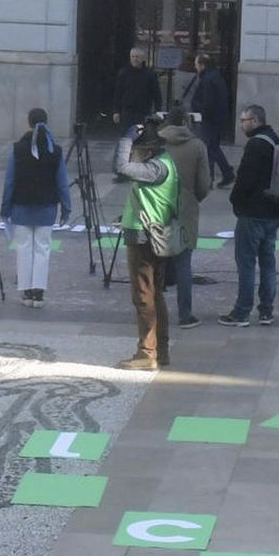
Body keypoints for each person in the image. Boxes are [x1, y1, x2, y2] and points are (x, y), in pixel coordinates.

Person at [114, 117, 180, 369]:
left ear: (147, 149)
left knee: (143, 295)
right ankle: (160, 349)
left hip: (144, 235)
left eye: (137, 148)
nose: (135, 153)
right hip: (154, 231)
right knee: (156, 294)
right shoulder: (166, 163)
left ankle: (147, 352)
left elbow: (121, 167)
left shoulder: (155, 168)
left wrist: (126, 139)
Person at [221, 105, 279, 326]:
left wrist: (236, 201)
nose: (242, 124)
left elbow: (245, 180)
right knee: (268, 261)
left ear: (256, 120)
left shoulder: (256, 144)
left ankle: (242, 312)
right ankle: (266, 311)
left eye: (245, 120)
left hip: (253, 212)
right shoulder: (276, 141)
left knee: (247, 263)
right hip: (274, 210)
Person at [0, 109, 70, 306]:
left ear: (29, 123)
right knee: (42, 249)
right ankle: (39, 292)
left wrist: (5, 208)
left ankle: (26, 290)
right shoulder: (54, 150)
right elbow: (62, 183)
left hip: (21, 207)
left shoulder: (17, 149)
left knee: (23, 249)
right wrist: (66, 208)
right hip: (46, 208)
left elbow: (9, 182)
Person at [158, 104, 212, 326]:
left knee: (155, 261)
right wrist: (192, 197)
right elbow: (204, 183)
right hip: (185, 206)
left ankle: (151, 313)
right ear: (187, 121)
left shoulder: (157, 142)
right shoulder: (197, 146)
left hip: (157, 204)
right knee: (183, 263)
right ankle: (185, 314)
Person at [185, 52, 235, 188]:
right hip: (218, 117)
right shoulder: (215, 76)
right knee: (213, 147)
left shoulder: (208, 79)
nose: (195, 67)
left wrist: (200, 113)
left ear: (202, 65)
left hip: (210, 118)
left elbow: (208, 101)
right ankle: (225, 173)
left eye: (196, 64)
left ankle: (211, 177)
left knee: (209, 148)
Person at [115, 48, 161, 135]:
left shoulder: (150, 74)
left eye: (137, 57)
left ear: (143, 58)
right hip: (127, 112)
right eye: (132, 57)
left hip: (143, 112)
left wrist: (158, 111)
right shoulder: (124, 73)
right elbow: (118, 93)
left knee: (142, 137)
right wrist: (116, 111)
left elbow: (156, 94)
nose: (135, 59)